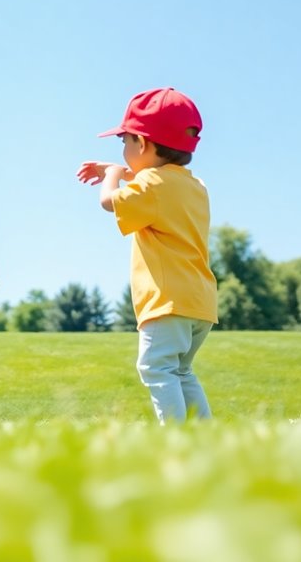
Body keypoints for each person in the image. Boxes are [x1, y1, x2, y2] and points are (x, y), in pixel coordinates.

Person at [76, 87, 218, 424]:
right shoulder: (193, 185)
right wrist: (123, 171)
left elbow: (110, 201)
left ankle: (176, 437)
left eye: (124, 141)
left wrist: (111, 176)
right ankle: (205, 436)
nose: (123, 150)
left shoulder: (151, 184)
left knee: (155, 368)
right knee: (181, 371)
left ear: (141, 144)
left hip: (167, 301)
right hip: (199, 302)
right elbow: (154, 184)